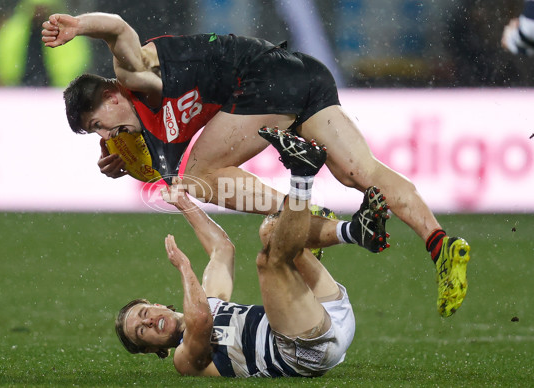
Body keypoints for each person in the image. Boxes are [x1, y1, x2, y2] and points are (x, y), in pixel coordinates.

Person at [41, 12, 470, 317]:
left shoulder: (133, 75)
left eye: (98, 124)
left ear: (112, 96)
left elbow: (117, 27)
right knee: (360, 173)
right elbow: (159, 165)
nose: (104, 136)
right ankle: (441, 244)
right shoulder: (144, 130)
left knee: (201, 177)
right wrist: (126, 160)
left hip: (261, 79)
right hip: (299, 73)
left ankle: (306, 213)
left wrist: (79, 26)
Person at [114, 134, 388, 377]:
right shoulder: (184, 359)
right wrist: (184, 265)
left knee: (272, 230)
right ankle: (302, 175)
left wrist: (184, 203)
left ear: (159, 305)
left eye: (144, 313)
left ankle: (355, 232)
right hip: (306, 351)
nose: (148, 321)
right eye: (142, 331)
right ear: (152, 349)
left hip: (331, 315)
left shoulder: (210, 302)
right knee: (267, 262)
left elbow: (222, 248)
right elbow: (200, 321)